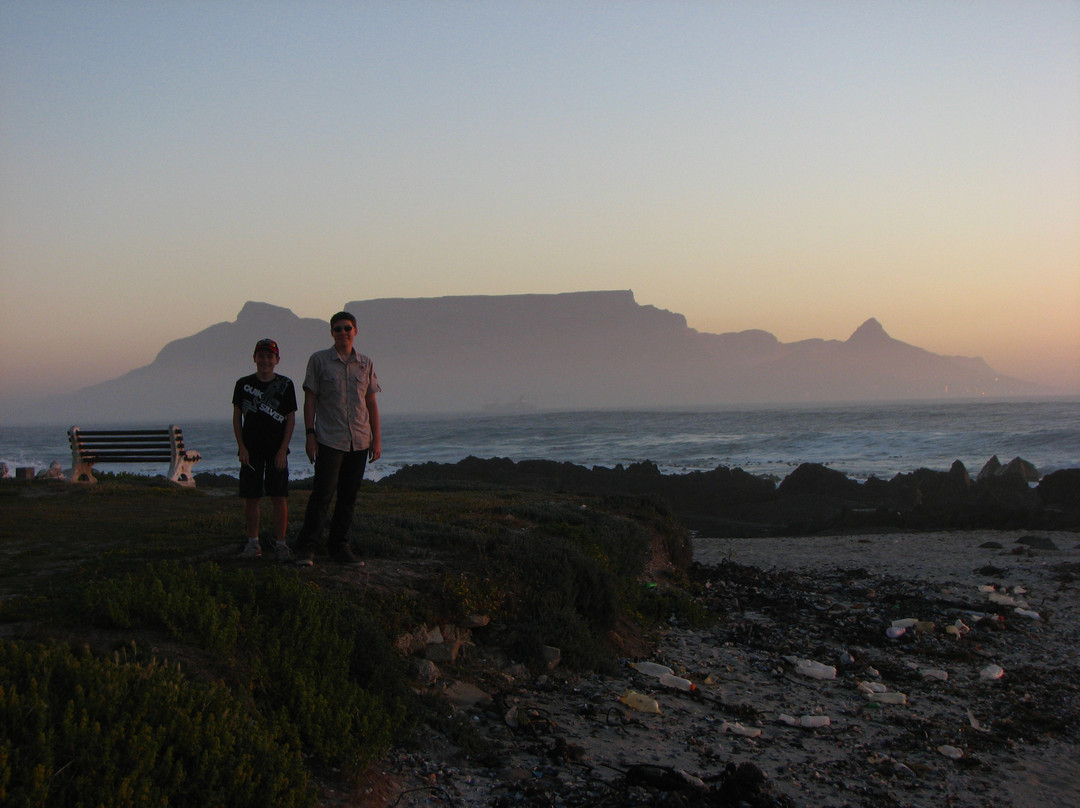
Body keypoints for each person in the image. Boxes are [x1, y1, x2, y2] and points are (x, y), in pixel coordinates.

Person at [293, 311, 381, 566]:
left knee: (348, 497)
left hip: (360, 440)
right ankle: (306, 548)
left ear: (355, 331)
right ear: (331, 333)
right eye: (338, 329)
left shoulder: (366, 363)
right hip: (330, 439)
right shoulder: (319, 361)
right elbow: (310, 400)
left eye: (347, 328)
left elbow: (371, 401)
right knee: (322, 494)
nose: (343, 332)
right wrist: (310, 435)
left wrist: (377, 439)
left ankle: (339, 547)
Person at [232, 338, 297, 561]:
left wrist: (282, 450)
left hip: (276, 451)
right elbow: (237, 417)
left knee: (279, 496)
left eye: (270, 356)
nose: (265, 360)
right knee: (252, 497)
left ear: (277, 360)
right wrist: (241, 447)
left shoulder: (286, 384)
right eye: (261, 355)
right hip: (251, 450)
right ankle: (253, 543)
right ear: (254, 358)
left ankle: (281, 544)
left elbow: (290, 419)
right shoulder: (243, 384)